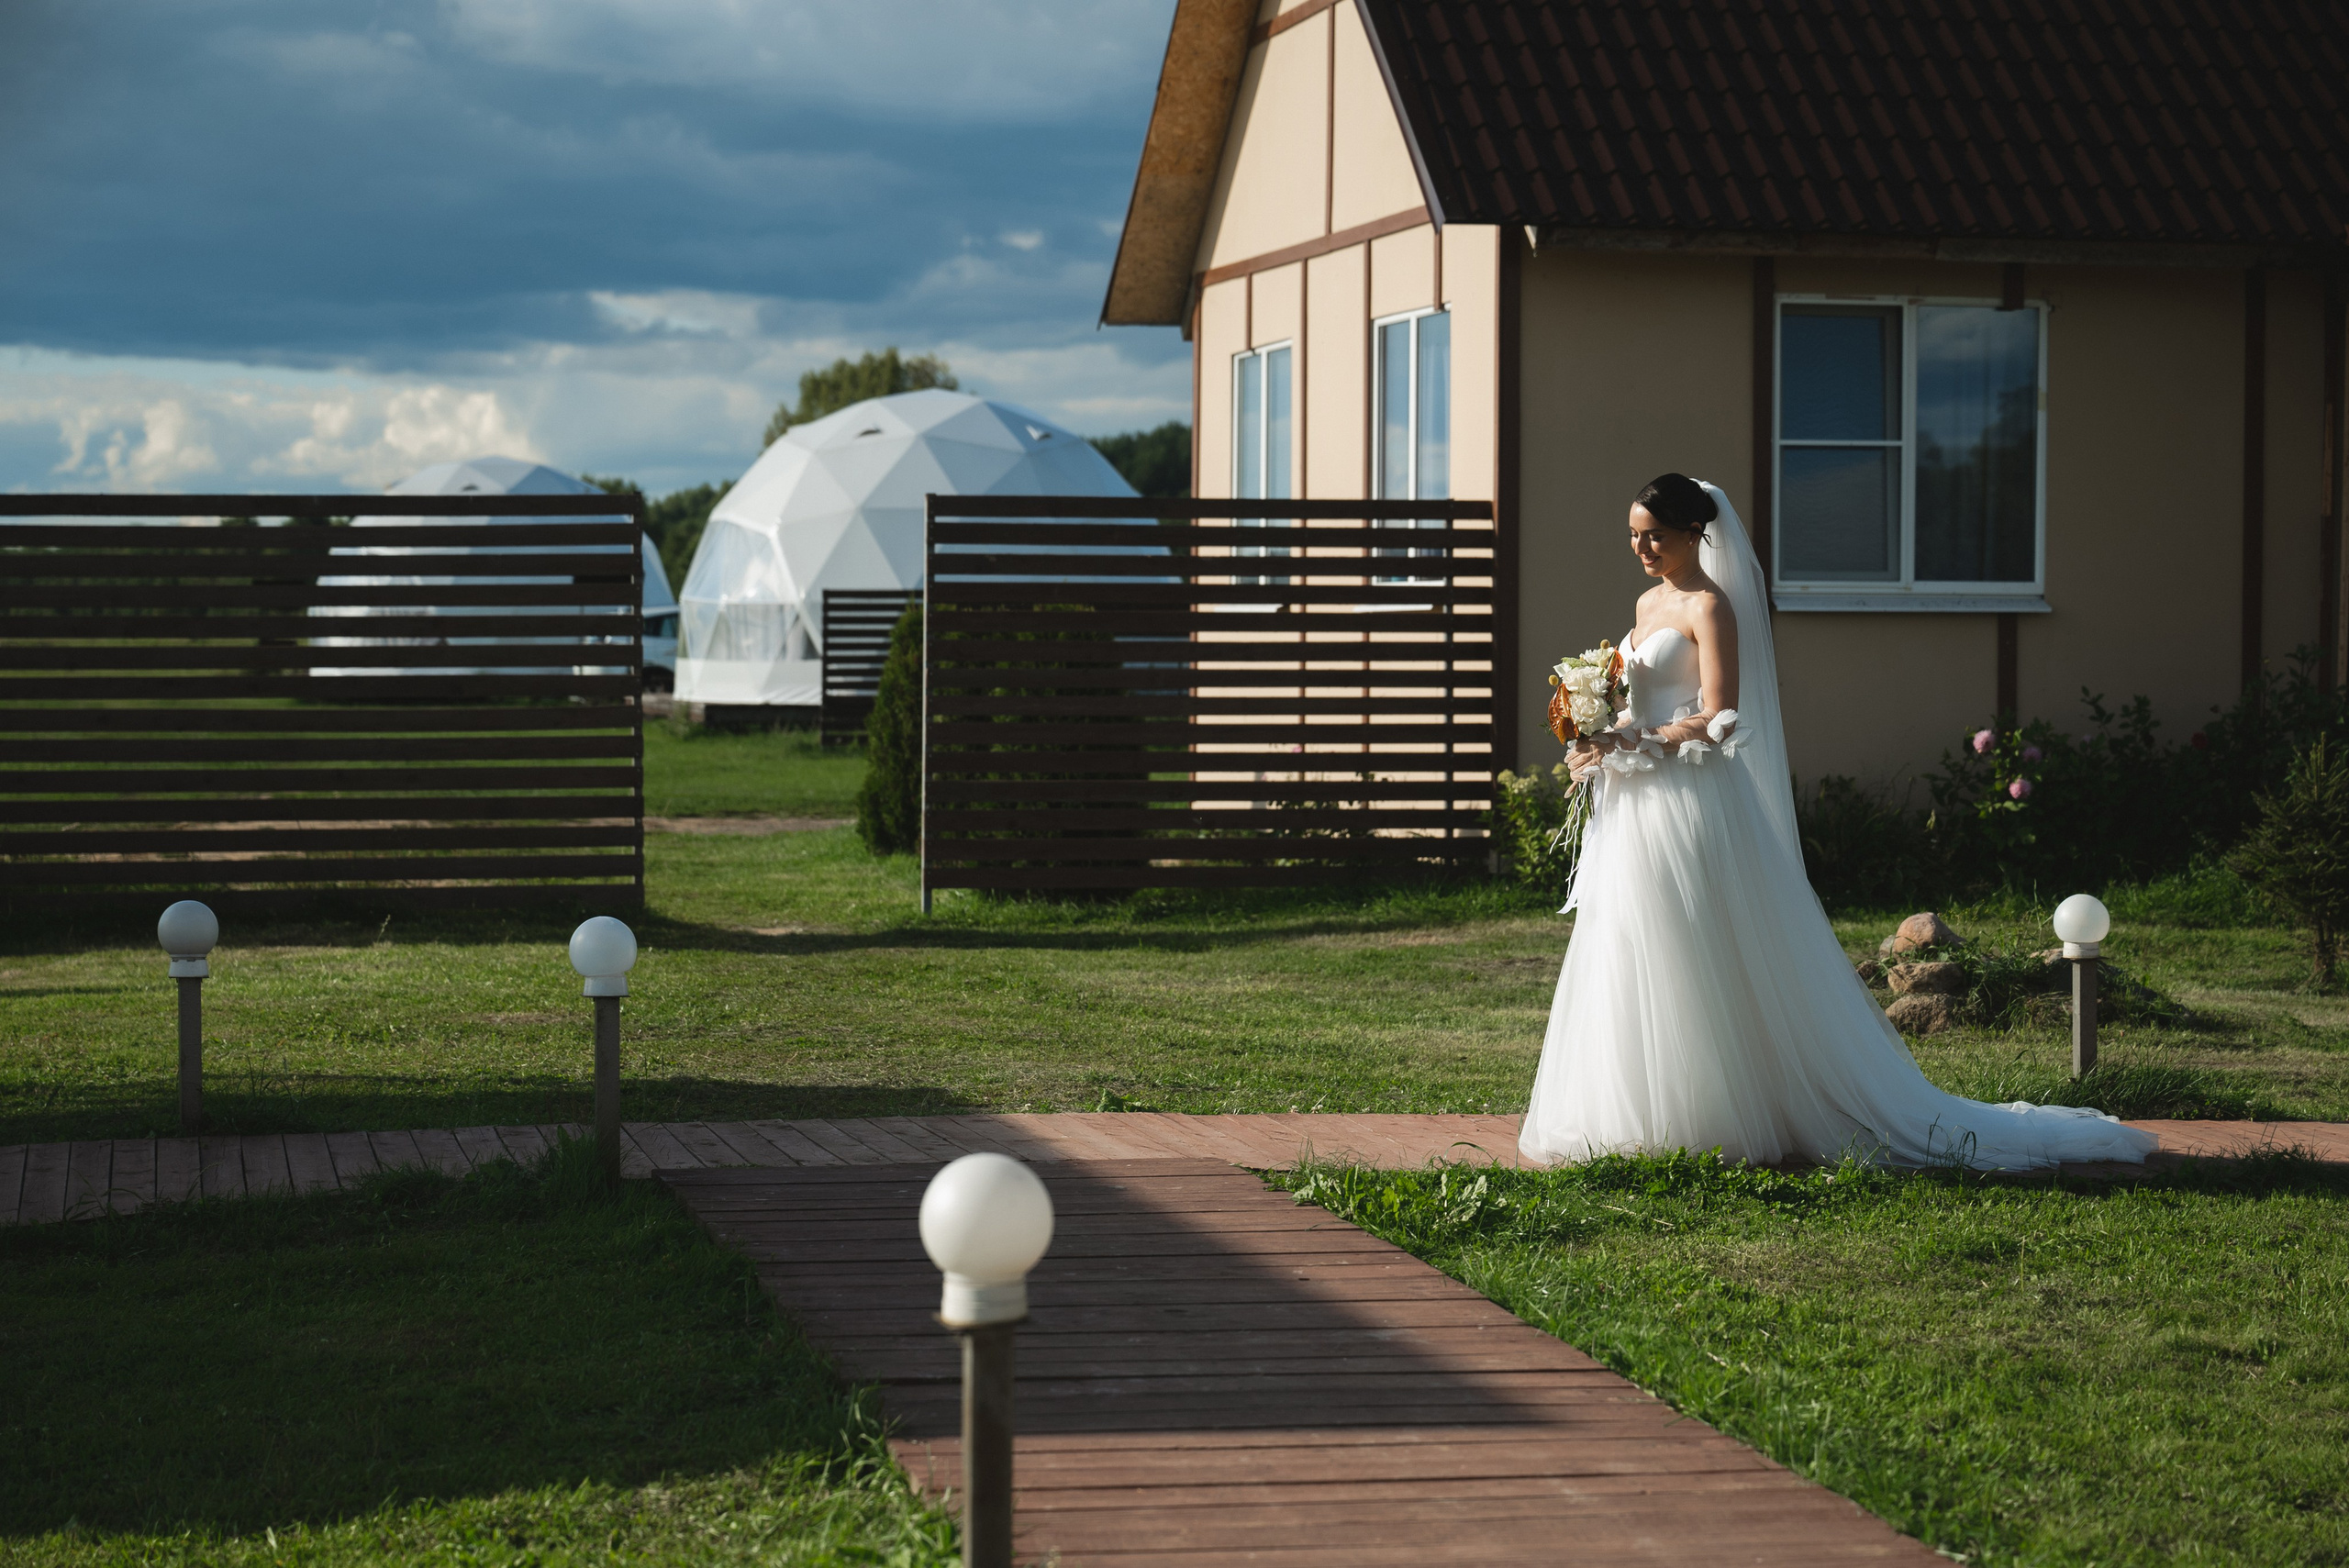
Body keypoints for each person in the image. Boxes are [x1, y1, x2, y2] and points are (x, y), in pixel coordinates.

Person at [1519, 474, 2156, 1170]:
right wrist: (1600, 731)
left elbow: (1721, 716)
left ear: (1694, 533)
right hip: (1635, 806)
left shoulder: (1712, 606)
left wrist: (1632, 742)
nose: (1642, 546)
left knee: (1694, 948)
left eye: (1655, 535)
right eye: (1635, 534)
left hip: (1689, 806)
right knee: (1630, 945)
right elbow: (1643, 700)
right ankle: (1630, 1111)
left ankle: (1715, 1111)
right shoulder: (1645, 601)